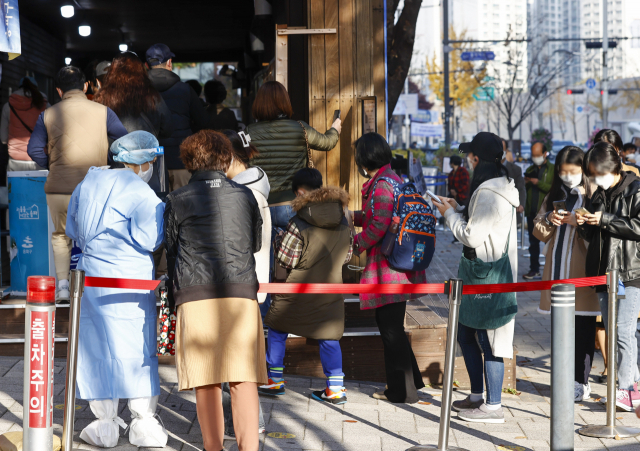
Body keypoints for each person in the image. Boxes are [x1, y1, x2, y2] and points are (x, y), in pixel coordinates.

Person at [164, 130, 266, 451]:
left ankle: (213, 447)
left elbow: (170, 250)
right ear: (226, 158)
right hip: (240, 293)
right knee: (243, 376)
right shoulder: (245, 195)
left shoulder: (176, 199)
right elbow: (256, 243)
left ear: (190, 160)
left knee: (205, 379)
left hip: (195, 295)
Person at [66, 131, 167, 448]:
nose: (151, 165)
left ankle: (104, 425)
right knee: (137, 350)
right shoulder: (142, 193)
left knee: (97, 348)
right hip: (131, 280)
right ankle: (143, 425)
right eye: (151, 160)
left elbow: (72, 230)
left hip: (92, 279)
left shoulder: (86, 184)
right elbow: (152, 239)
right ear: (141, 162)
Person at [434, 131, 519, 424]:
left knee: (487, 336)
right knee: (467, 333)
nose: (468, 161)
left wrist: (449, 216)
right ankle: (476, 396)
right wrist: (457, 207)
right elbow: (480, 222)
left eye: (470, 156)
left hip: (486, 273)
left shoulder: (489, 193)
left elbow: (472, 235)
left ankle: (493, 406)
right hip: (479, 272)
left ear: (476, 159)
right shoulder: (494, 187)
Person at [26, 66, 128, 302]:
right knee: (95, 234)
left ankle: (63, 285)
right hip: (96, 186)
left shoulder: (47, 114)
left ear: (59, 90)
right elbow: (123, 142)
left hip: (59, 188)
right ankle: (93, 284)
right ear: (85, 86)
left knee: (61, 236)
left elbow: (32, 149)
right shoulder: (104, 112)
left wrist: (53, 165)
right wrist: (107, 162)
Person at [247, 80, 341, 313]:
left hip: (263, 206)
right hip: (293, 205)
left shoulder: (248, 133)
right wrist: (335, 128)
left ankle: (266, 311)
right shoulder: (299, 129)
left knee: (263, 263)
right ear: (284, 102)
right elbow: (327, 143)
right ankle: (295, 311)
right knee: (297, 261)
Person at [260, 168, 352, 404]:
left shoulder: (299, 220)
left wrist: (279, 241)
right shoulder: (342, 216)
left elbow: (286, 259)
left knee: (278, 329)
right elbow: (348, 255)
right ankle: (335, 388)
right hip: (331, 288)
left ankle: (274, 381)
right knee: (329, 336)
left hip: (297, 289)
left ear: (300, 192)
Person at [351, 132, 426, 404]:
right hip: (396, 266)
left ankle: (401, 392)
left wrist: (355, 243)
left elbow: (378, 226)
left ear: (365, 157)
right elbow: (376, 216)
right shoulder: (390, 180)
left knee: (390, 328)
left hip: (389, 268)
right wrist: (351, 216)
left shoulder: (382, 184)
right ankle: (411, 382)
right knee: (391, 326)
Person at [532, 146, 599, 402]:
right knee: (560, 327)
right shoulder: (555, 194)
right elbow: (539, 231)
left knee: (583, 328)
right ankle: (564, 377)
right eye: (562, 172)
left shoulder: (593, 193)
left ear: (583, 169)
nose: (567, 176)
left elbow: (599, 237)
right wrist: (549, 218)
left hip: (582, 274)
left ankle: (581, 383)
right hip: (557, 269)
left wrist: (580, 223)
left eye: (572, 171)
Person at [577, 141, 640, 412]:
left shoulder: (636, 189)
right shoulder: (598, 194)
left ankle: (626, 390)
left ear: (612, 168)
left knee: (624, 331)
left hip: (629, 272)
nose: (595, 179)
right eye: (591, 174)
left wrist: (604, 220)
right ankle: (633, 385)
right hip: (603, 272)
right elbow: (593, 235)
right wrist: (585, 224)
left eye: (597, 173)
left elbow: (637, 226)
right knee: (614, 331)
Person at [94, 52, 174, 199]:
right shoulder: (152, 96)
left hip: (116, 167)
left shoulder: (102, 97)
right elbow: (168, 128)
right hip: (149, 165)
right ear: (142, 71)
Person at [145, 43, 209, 191]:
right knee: (183, 208)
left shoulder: (140, 91)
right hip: (181, 159)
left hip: (151, 164)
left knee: (156, 208)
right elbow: (203, 121)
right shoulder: (185, 90)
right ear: (169, 63)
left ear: (147, 65)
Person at [0, 76, 50, 171]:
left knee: (15, 186)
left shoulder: (8, 106)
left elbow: (3, 139)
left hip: (16, 160)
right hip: (39, 159)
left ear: (19, 87)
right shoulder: (45, 105)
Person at [523, 141, 554, 280]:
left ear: (545, 154)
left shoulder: (552, 169)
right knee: (533, 243)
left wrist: (538, 183)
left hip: (548, 213)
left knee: (549, 242)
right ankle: (534, 269)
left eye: (538, 155)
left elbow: (552, 189)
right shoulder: (530, 169)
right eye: (533, 155)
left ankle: (551, 269)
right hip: (532, 212)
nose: (535, 157)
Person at [502, 139, 526, 215]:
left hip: (511, 211)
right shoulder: (489, 169)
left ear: (506, 150)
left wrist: (521, 204)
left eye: (502, 148)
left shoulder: (516, 169)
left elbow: (521, 188)